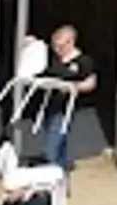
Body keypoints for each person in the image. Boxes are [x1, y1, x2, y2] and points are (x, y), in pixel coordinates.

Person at [39, 26, 101, 173]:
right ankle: (61, 171)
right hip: (49, 104)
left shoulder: (83, 62)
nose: (57, 49)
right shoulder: (53, 59)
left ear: (71, 42)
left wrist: (73, 87)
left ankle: (50, 171)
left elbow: (91, 83)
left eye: (60, 46)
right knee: (59, 138)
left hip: (66, 107)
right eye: (54, 46)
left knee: (52, 143)